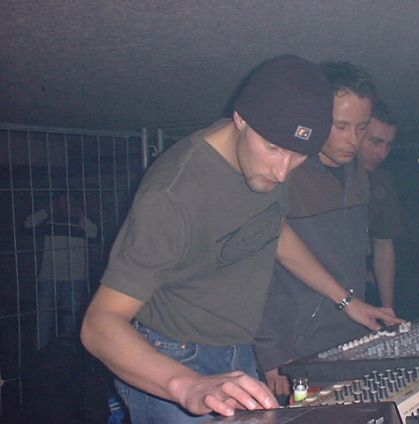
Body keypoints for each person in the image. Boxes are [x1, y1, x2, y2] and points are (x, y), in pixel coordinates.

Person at [80, 55, 393, 423]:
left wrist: (346, 301)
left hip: (237, 352)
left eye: (298, 156)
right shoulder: (173, 195)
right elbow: (99, 324)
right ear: (241, 119)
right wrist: (187, 385)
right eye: (274, 149)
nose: (282, 172)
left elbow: (272, 228)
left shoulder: (266, 158)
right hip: (172, 359)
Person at [253, 62, 402, 398]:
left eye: (361, 127)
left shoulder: (360, 174)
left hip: (346, 337)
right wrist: (270, 352)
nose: (353, 140)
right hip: (293, 347)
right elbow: (254, 267)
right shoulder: (282, 172)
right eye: (341, 126)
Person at [24, 190, 98, 350]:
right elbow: (27, 225)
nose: (65, 206)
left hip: (75, 277)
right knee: (44, 317)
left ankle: (68, 352)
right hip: (49, 276)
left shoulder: (83, 221)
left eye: (68, 202)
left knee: (71, 318)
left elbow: (94, 234)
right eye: (62, 202)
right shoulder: (50, 220)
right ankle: (41, 352)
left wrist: (80, 216)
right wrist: (46, 211)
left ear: (76, 203)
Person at [357, 100, 402, 320]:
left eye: (388, 145)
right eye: (375, 142)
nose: (382, 154)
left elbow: (383, 244)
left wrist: (387, 309)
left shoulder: (381, 180)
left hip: (355, 295)